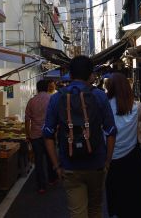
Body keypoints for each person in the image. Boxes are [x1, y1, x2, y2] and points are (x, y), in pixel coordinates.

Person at [43, 55, 117, 218]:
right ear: (91, 74)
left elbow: (47, 134)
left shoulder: (57, 97)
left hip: (70, 165)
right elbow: (111, 131)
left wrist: (56, 166)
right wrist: (107, 161)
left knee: (77, 212)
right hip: (96, 163)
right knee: (96, 209)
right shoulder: (99, 96)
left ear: (70, 74)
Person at [105, 72, 141, 218]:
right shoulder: (137, 106)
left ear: (110, 87)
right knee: (136, 196)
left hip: (111, 158)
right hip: (133, 158)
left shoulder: (105, 106)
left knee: (116, 196)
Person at [25, 79, 56, 193]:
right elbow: (56, 116)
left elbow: (27, 119)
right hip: (49, 134)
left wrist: (27, 134)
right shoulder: (52, 99)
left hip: (35, 135)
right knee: (50, 157)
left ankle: (41, 186)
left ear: (37, 88)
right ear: (47, 88)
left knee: (38, 160)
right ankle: (52, 179)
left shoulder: (32, 101)